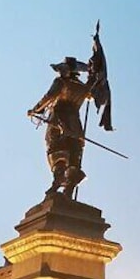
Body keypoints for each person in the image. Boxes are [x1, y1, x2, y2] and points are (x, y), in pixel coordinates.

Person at [27, 56, 92, 198]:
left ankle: (58, 182)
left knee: (56, 150)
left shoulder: (61, 82)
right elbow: (91, 95)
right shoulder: (83, 88)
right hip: (75, 125)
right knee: (74, 154)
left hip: (59, 120)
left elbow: (49, 96)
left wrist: (35, 110)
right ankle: (68, 189)